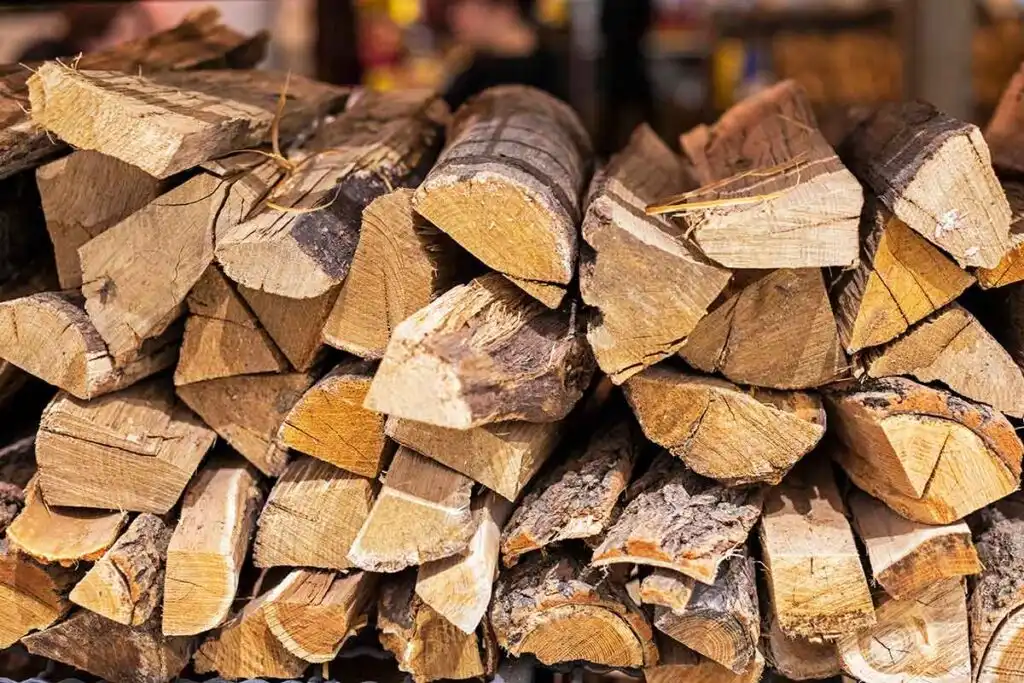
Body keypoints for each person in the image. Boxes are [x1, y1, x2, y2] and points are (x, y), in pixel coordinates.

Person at [435, 0, 565, 109]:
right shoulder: (476, 66)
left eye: (462, 5)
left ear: (502, 9)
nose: (453, 16)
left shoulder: (563, 72)